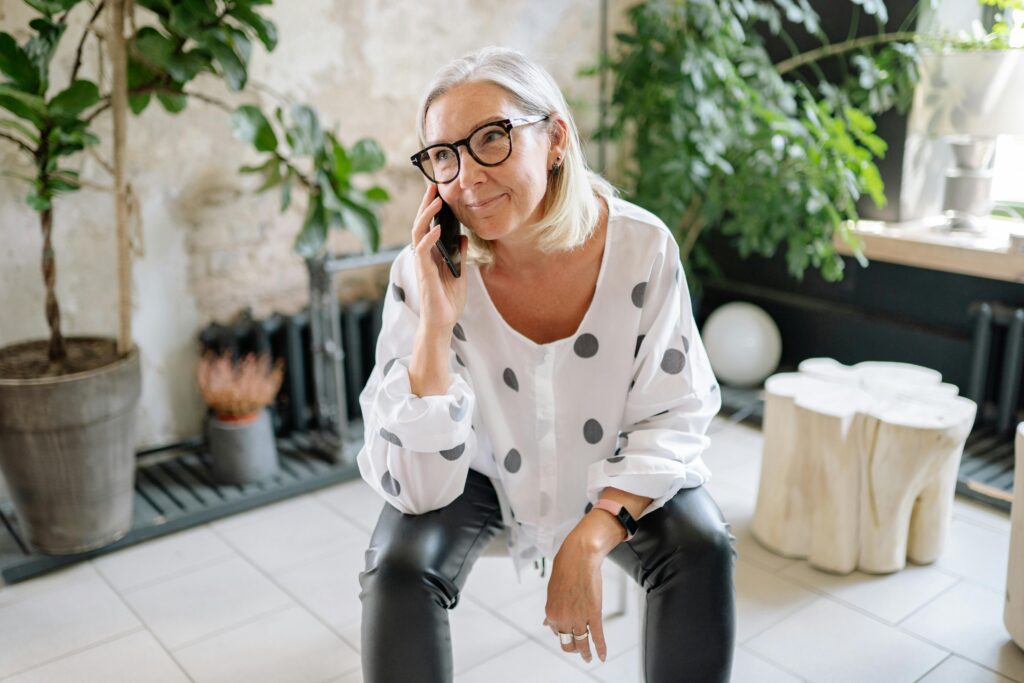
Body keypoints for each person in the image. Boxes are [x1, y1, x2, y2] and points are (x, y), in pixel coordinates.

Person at [356, 46, 736, 682]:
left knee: (702, 546)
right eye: (444, 155)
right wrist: (436, 325)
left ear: (555, 139)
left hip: (614, 462)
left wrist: (592, 534)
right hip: (475, 466)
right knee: (396, 569)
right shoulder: (423, 270)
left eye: (492, 138)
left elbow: (675, 412)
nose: (467, 178)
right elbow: (419, 492)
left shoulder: (642, 248)